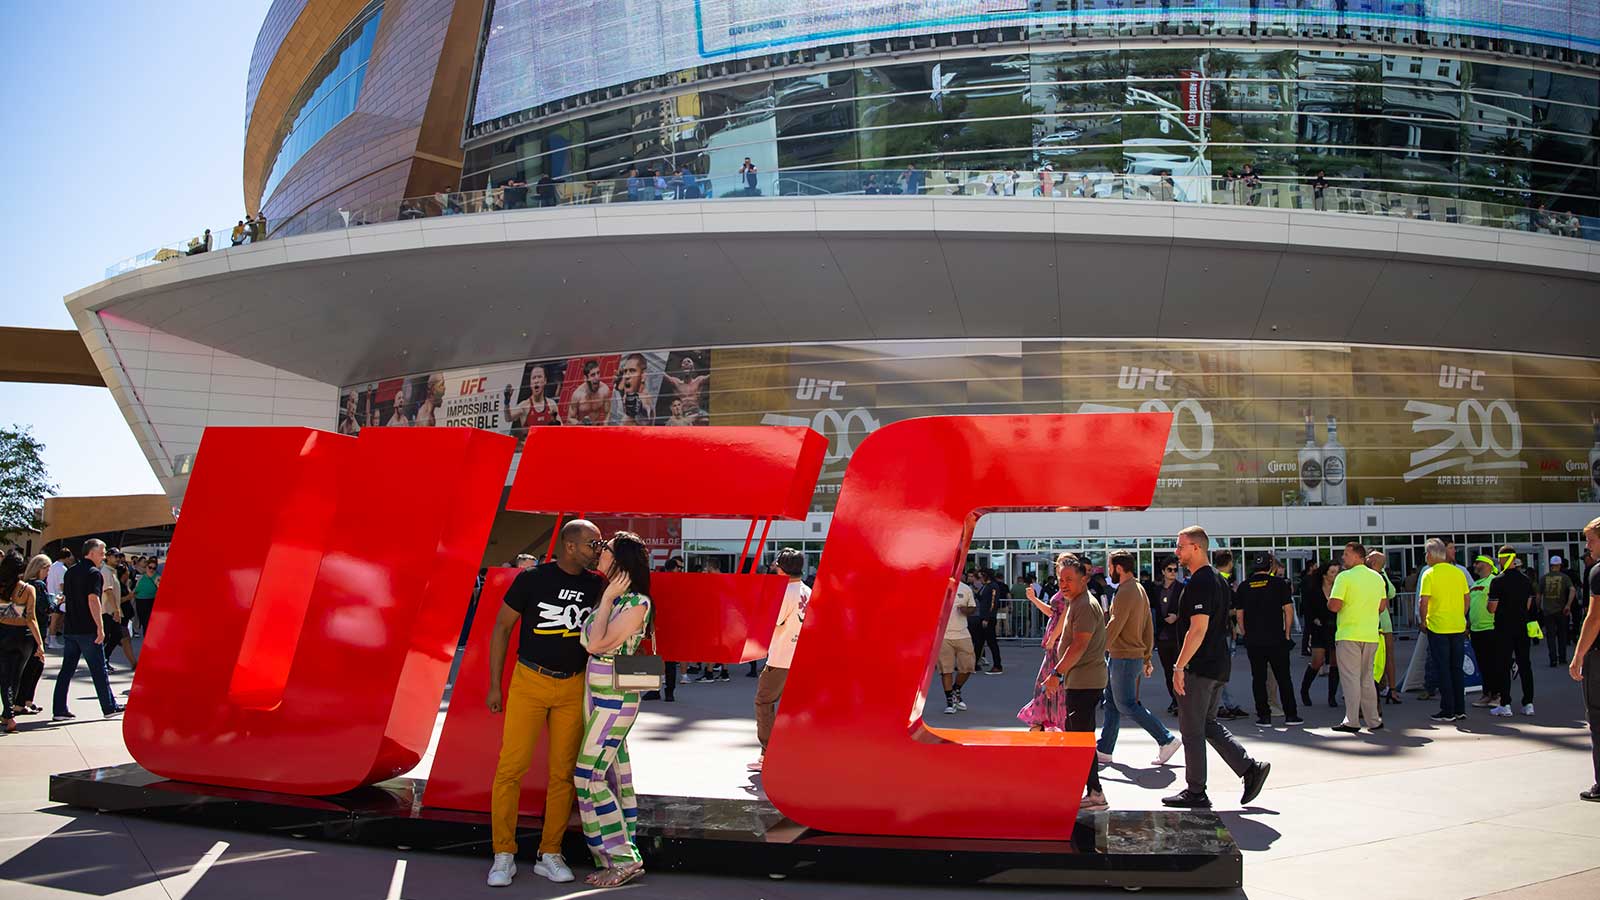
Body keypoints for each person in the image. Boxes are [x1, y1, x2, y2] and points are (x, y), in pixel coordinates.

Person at [485, 520, 606, 888]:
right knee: (511, 768)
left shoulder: (596, 584)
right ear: (570, 546)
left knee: (562, 774)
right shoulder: (533, 579)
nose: (597, 550)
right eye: (592, 544)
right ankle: (502, 854)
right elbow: (502, 628)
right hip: (529, 681)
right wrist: (495, 686)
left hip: (573, 687)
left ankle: (549, 852)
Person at [1163, 526, 1270, 809]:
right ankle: (1250, 769)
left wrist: (1179, 667)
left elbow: (1197, 629)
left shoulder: (1201, 581)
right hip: (1217, 665)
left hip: (1200, 667)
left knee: (1192, 730)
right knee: (1207, 724)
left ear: (1196, 547)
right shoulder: (1219, 581)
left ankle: (1196, 791)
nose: (1177, 552)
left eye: (1180, 546)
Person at [575, 532, 654, 888]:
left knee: (587, 776)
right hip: (597, 692)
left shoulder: (636, 602)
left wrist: (607, 598)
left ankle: (623, 859)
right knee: (613, 776)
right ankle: (614, 856)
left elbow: (596, 644)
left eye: (604, 549)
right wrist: (606, 598)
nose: (598, 553)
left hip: (617, 696)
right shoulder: (616, 597)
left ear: (620, 559)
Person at [1020, 553, 1107, 811]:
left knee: (1081, 739)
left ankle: (1095, 792)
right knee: (1079, 737)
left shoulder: (1083, 605)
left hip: (1085, 681)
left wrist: (1056, 674)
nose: (1063, 584)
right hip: (1079, 680)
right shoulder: (1075, 602)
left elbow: (1079, 644)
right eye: (1060, 580)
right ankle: (1090, 790)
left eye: (1069, 579)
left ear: (1084, 578)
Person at [1097, 551, 1181, 765]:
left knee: (1125, 704)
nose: (1108, 572)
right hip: (1125, 655)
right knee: (1112, 703)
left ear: (1118, 567)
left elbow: (1115, 624)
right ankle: (1105, 749)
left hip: (1124, 656)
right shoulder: (1138, 589)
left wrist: (1096, 650)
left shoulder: (1126, 591)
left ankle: (1166, 739)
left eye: (1109, 567)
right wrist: (1146, 657)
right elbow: (1148, 625)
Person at [751, 549, 810, 770]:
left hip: (781, 657)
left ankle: (768, 754)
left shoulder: (786, 592)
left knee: (764, 702)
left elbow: (772, 622)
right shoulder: (807, 590)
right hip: (799, 657)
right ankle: (792, 750)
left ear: (781, 567)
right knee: (792, 708)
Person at [51, 539, 122, 721]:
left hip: (71, 628)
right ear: (91, 553)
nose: (104, 556)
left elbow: (67, 597)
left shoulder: (71, 572)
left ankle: (59, 709)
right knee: (98, 669)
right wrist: (100, 627)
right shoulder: (93, 573)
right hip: (87, 629)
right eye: (102, 552)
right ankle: (109, 706)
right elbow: (93, 600)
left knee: (66, 670)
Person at [1235, 552, 1302, 726]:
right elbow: (1288, 610)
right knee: (1283, 677)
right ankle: (1291, 715)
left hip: (1254, 640)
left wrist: (1244, 632)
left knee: (1258, 678)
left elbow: (1239, 614)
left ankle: (1263, 716)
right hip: (1276, 638)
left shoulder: (1244, 586)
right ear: (1270, 566)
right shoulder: (1279, 584)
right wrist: (1287, 633)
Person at [1328, 543, 1386, 734]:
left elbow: (1335, 605)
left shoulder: (1344, 577)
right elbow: (1382, 606)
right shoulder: (1377, 578)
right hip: (1370, 634)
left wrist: (1330, 600)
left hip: (1348, 634)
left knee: (1351, 679)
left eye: (1346, 554)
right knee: (1367, 678)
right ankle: (1373, 719)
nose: (1343, 557)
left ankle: (1352, 720)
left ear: (1357, 556)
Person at [1419, 538, 1470, 723]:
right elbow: (1467, 598)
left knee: (1443, 669)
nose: (1425, 557)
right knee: (1456, 668)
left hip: (1438, 626)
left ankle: (1447, 710)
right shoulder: (1458, 573)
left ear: (1431, 555)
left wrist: (1423, 621)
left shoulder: (1429, 573)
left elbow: (1423, 601)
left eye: (1426, 553)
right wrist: (1461, 615)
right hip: (1457, 625)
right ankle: (1460, 708)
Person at [1567, 516, 1600, 802]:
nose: (1587, 546)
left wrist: (1578, 655)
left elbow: (1594, 618)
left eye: (1591, 540)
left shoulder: (1597, 572)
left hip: (1598, 656)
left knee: (1598, 717)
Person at [0, 551, 47, 732]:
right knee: (16, 676)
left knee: (5, 677)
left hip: (3, 633)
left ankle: (9, 715)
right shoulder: (27, 589)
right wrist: (40, 644)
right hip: (23, 636)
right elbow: (31, 618)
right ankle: (7, 713)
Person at [1489, 546, 1536, 716]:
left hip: (1503, 628)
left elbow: (1492, 608)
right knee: (1525, 664)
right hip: (1522, 626)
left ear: (1503, 559)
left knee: (1503, 665)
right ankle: (1528, 703)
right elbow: (1528, 605)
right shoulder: (1526, 580)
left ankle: (1505, 704)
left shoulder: (1497, 581)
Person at [12, 554, 50, 715]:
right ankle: (22, 703)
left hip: (23, 630)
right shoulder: (38, 585)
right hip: (36, 630)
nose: (48, 572)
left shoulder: (23, 585)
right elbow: (42, 609)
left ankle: (26, 700)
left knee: (31, 666)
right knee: (34, 666)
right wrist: (56, 603)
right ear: (40, 569)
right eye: (47, 568)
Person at [937, 570, 976, 716]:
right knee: (945, 670)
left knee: (968, 666)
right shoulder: (938, 587)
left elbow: (972, 608)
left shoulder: (965, 589)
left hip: (962, 634)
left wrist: (966, 610)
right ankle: (949, 701)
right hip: (943, 636)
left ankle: (956, 689)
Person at [1300, 560, 1338, 709]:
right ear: (1324, 575)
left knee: (1335, 663)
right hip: (1319, 628)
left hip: (1336, 628)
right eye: (1332, 572)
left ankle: (1332, 696)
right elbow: (1307, 609)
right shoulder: (1314, 589)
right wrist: (1313, 620)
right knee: (1317, 661)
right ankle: (1304, 690)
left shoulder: (1339, 588)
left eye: (1337, 572)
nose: (1335, 575)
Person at [1468, 555, 1503, 711]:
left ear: (1488, 564)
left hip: (1491, 628)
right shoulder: (1475, 584)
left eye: (1478, 562)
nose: (1475, 565)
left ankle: (1497, 694)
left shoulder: (1494, 581)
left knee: (1493, 663)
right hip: (1476, 629)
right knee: (1483, 664)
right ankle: (1487, 693)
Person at [1366, 552, 1401, 704]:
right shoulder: (1382, 576)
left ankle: (1383, 689)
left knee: (1374, 657)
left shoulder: (1372, 576)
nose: (1366, 558)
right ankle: (1391, 690)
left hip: (1375, 621)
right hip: (1383, 621)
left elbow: (1391, 593)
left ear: (1373, 561)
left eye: (1368, 557)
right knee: (1387, 657)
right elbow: (1392, 592)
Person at [98, 551, 136, 673]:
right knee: (109, 637)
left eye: (119, 557)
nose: (118, 559)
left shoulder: (112, 571)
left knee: (116, 636)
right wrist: (116, 610)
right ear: (108, 557)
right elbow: (108, 592)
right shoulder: (106, 572)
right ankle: (100, 661)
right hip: (108, 611)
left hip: (112, 610)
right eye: (115, 556)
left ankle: (104, 659)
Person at [1153, 557, 1183, 713]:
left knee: (1179, 669)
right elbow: (1153, 611)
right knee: (1167, 671)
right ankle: (1174, 699)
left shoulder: (1182, 588)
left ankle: (1180, 701)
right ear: (1163, 572)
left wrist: (1177, 616)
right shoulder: (1157, 590)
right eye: (1170, 570)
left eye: (1175, 570)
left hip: (1177, 635)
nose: (1173, 573)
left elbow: (1188, 609)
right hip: (1162, 636)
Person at [1541, 556, 1577, 667]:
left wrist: (1539, 607)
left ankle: (1553, 659)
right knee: (1562, 634)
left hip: (1548, 611)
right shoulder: (1565, 577)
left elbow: (1538, 594)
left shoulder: (1544, 578)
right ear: (1560, 565)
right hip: (1561, 610)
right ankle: (1562, 657)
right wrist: (1568, 605)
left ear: (1551, 565)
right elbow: (1572, 589)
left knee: (1551, 636)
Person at [975, 571, 1003, 674]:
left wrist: (987, 618)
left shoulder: (993, 586)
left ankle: (997, 665)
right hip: (983, 616)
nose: (980, 579)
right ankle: (974, 664)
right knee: (979, 641)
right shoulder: (985, 586)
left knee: (991, 642)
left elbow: (992, 603)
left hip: (988, 618)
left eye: (981, 577)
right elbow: (982, 598)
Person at [567, 360, 612, 426]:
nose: (597, 377)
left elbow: (608, 412)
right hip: (582, 430)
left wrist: (606, 425)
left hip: (596, 428)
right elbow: (570, 419)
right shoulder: (577, 395)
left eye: (598, 373)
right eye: (593, 375)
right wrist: (581, 424)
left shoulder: (604, 390)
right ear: (586, 378)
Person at [45, 548, 72, 649]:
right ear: (66, 557)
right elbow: (62, 585)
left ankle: (49, 637)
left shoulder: (53, 566)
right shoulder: (62, 569)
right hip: (58, 596)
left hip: (50, 594)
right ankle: (52, 640)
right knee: (56, 619)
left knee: (53, 618)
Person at [132, 558, 160, 634]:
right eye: (150, 567)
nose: (151, 569)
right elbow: (136, 588)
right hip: (140, 601)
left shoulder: (157, 577)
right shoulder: (141, 577)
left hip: (150, 601)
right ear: (146, 567)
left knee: (148, 623)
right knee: (144, 622)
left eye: (154, 568)